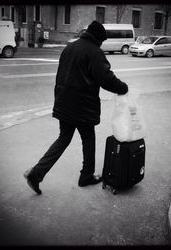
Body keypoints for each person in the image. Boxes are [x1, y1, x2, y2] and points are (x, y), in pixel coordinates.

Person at [24, 20, 128, 195]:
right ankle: (86, 176)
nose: (101, 44)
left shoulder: (70, 47)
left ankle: (37, 173)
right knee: (88, 139)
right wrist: (123, 88)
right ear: (98, 39)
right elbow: (106, 78)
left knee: (63, 138)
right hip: (82, 106)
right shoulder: (95, 52)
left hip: (64, 102)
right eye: (101, 41)